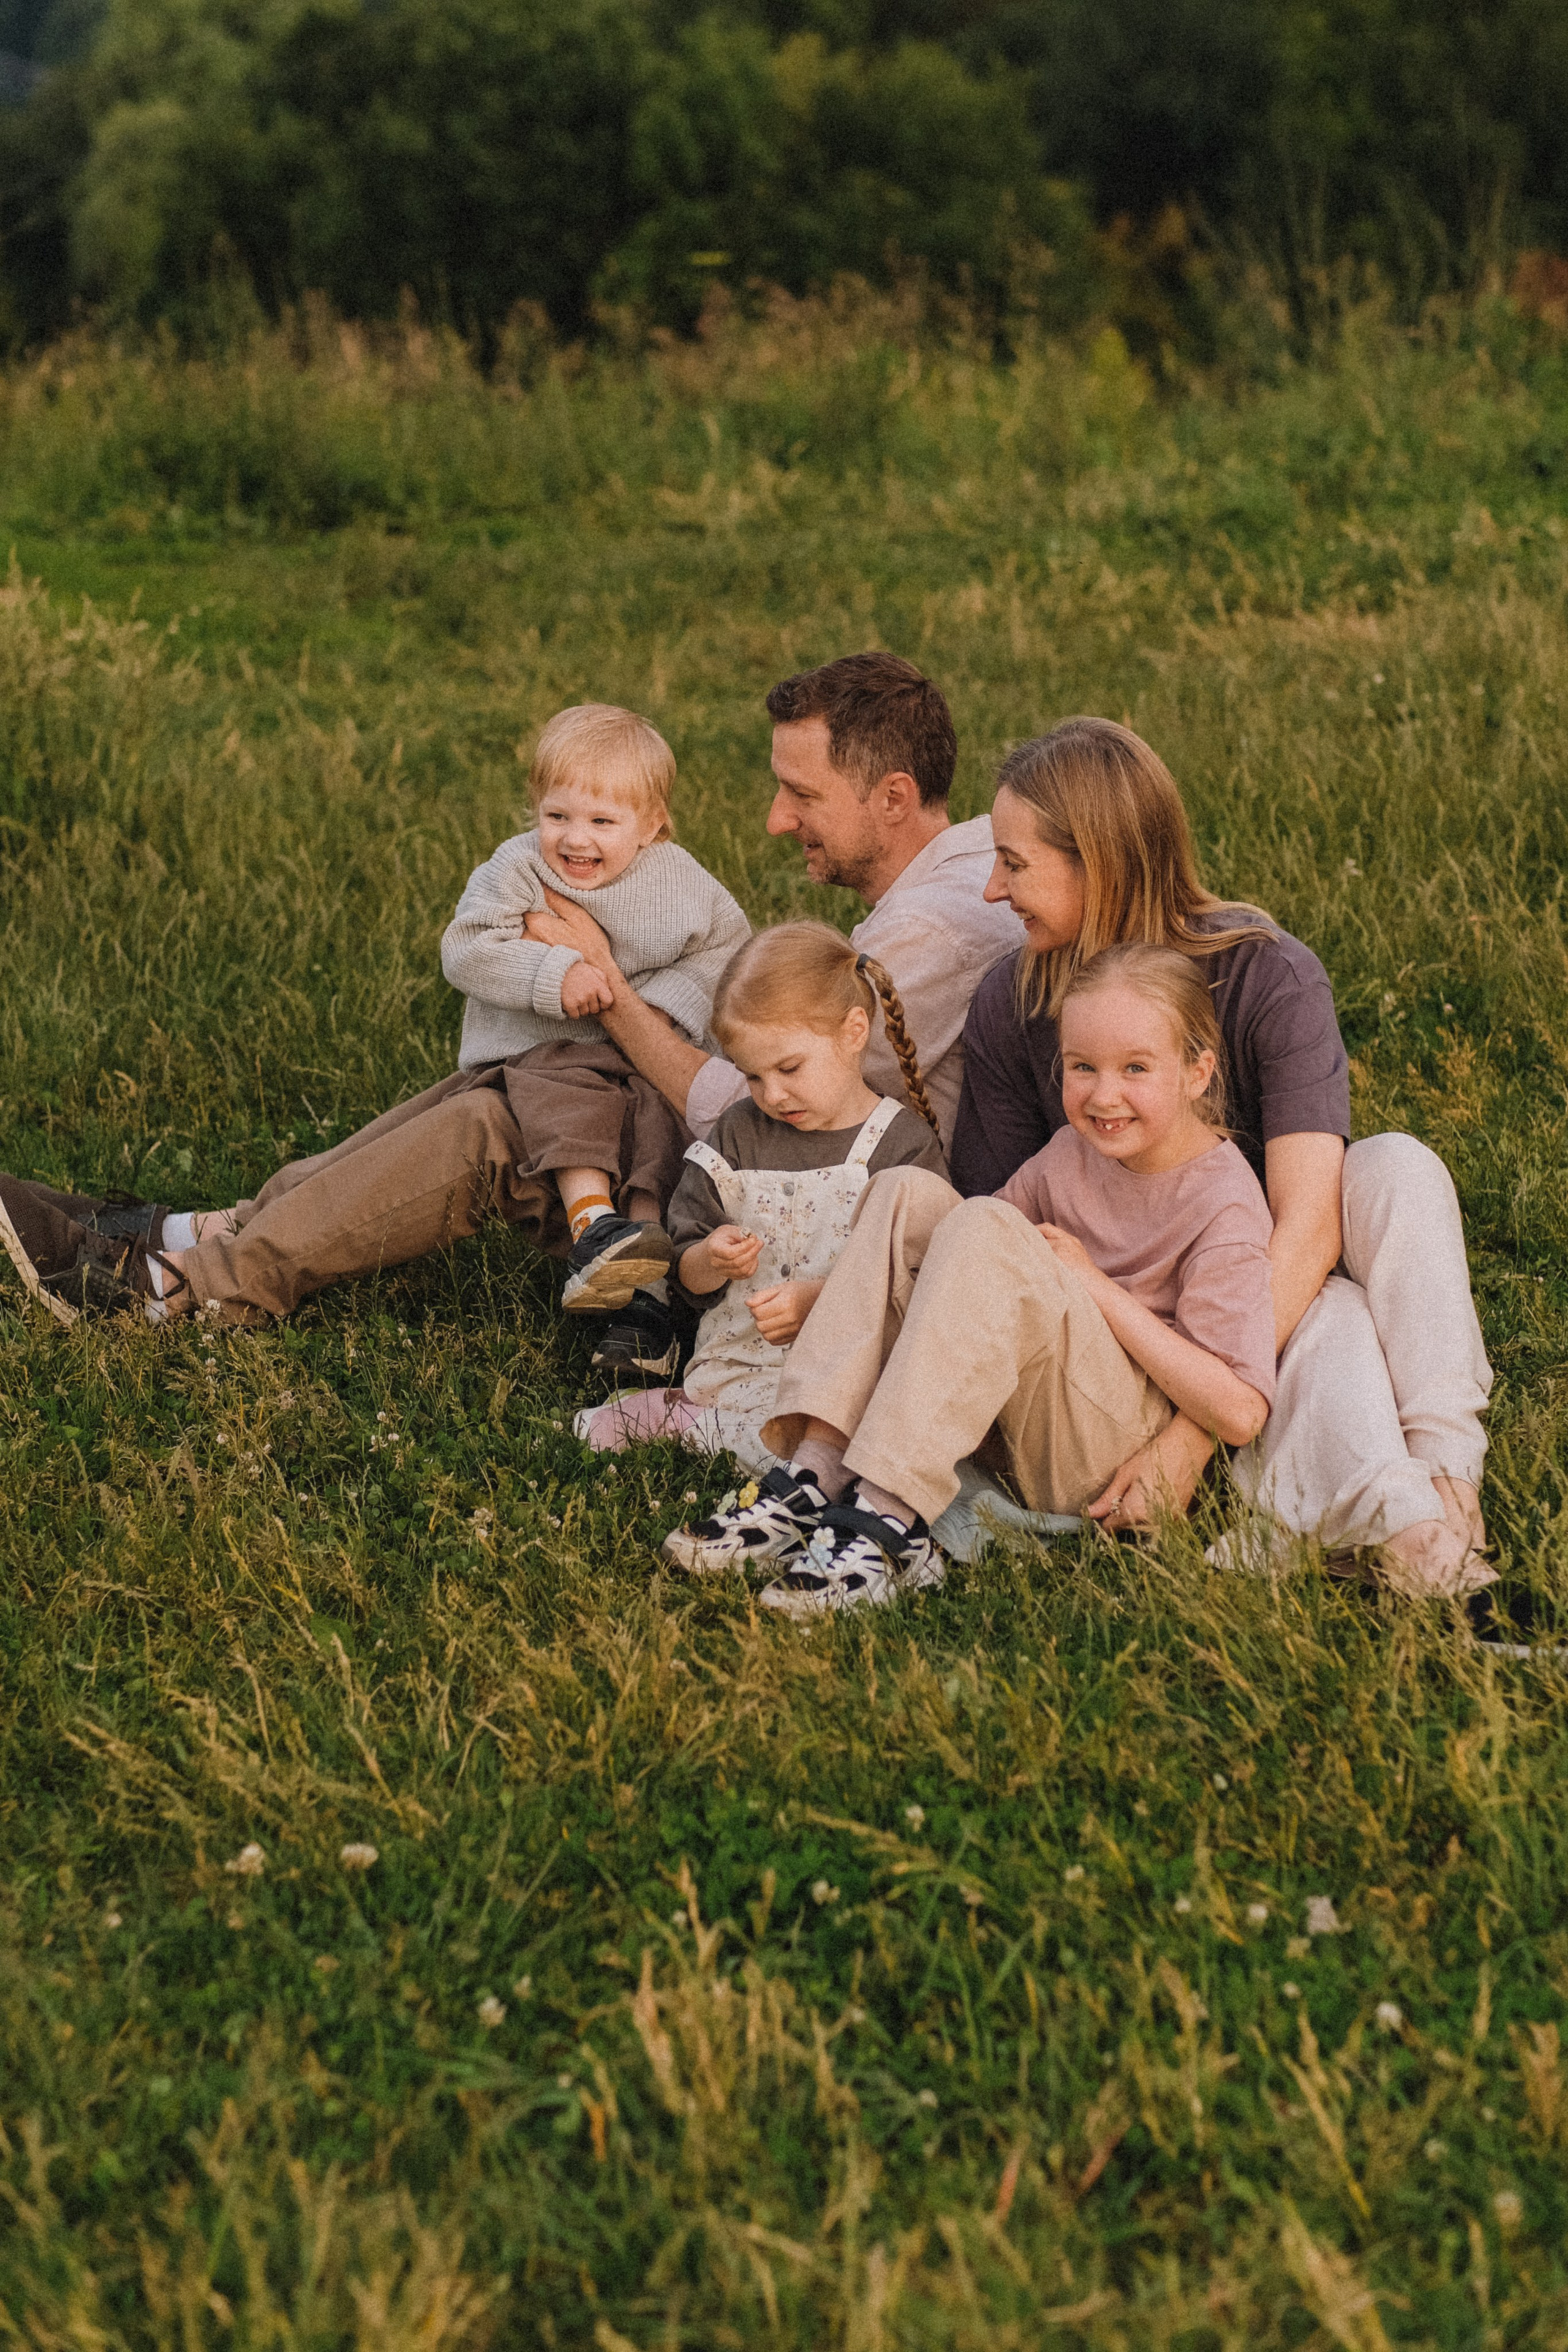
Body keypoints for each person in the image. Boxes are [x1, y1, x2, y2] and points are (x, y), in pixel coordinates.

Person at [948, 716, 1494, 1597]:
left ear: (1098, 861)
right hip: (1134, 1316)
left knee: (1395, 1168)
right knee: (1335, 1314)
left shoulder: (1267, 975)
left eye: (1014, 864)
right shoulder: (1013, 1003)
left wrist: (1191, 1440)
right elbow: (1001, 1238)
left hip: (1260, 1281)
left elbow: (1307, 1227)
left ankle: (1446, 1487)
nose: (991, 890)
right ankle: (1394, 1530)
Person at [94, 705, 750, 1364]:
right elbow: (467, 949)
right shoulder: (521, 868)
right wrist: (553, 975)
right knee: (441, 1117)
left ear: (653, 825)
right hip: (536, 1063)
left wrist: (655, 1006)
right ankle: (220, 1226)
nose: (575, 840)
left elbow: (723, 954)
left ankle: (633, 1276)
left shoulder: (683, 884)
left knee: (632, 1124)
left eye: (602, 822)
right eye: (557, 816)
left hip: (637, 1072)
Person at [663, 943, 1276, 1616]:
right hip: (1018, 1413)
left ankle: (890, 1521)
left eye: (1136, 1068)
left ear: (1197, 1072)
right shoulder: (1072, 1151)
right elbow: (961, 1251)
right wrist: (844, 1289)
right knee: (905, 1192)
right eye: (1082, 1067)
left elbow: (1239, 1411)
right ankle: (815, 1472)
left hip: (1105, 1453)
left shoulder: (1223, 1202)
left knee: (984, 1222)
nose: (1104, 1095)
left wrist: (1094, 1285)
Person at [521, 652, 1023, 1160]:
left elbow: (756, 1120)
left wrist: (606, 986)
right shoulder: (979, 859)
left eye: (803, 794)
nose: (776, 821)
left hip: (861, 1191)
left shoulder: (929, 932)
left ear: (894, 798)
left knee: (538, 1112)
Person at [573, 922, 946, 1485]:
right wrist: (710, 1259)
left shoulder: (901, 1146)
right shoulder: (739, 1134)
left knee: (838, 1450)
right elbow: (684, 1267)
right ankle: (715, 1427)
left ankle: (761, 1448)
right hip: (735, 1365)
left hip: (843, 1381)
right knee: (617, 1430)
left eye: (789, 1069)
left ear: (854, 1032)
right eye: (752, 1075)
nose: (772, 1094)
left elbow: (923, 1283)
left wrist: (819, 1301)